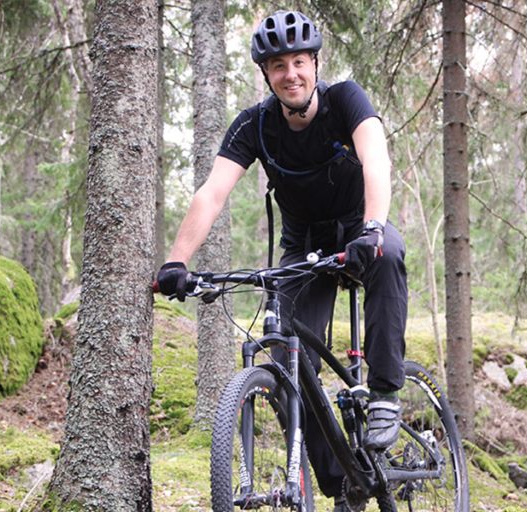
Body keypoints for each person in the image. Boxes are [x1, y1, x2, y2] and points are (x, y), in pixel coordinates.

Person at [155, 10, 408, 509]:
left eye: (299, 62)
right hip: (304, 246)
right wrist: (176, 264)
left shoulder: (346, 100)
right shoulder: (256, 125)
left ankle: (384, 393)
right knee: (288, 368)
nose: (290, 74)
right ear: (266, 74)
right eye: (278, 66)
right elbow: (212, 193)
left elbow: (376, 159)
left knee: (388, 253)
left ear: (315, 64)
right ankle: (342, 483)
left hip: (359, 226)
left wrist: (373, 227)